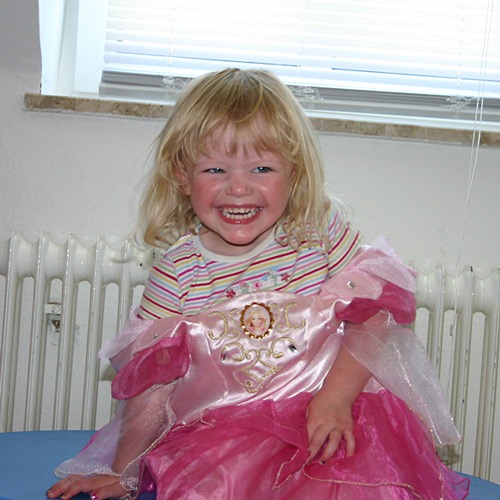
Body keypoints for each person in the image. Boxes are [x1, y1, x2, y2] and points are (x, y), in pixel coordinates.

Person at [47, 68, 469, 500]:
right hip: (222, 441)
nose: (238, 188)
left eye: (262, 168)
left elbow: (373, 317)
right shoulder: (179, 270)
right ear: (181, 176)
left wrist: (335, 399)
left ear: (294, 173)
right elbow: (152, 384)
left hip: (328, 418)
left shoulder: (317, 235)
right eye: (215, 169)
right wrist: (125, 472)